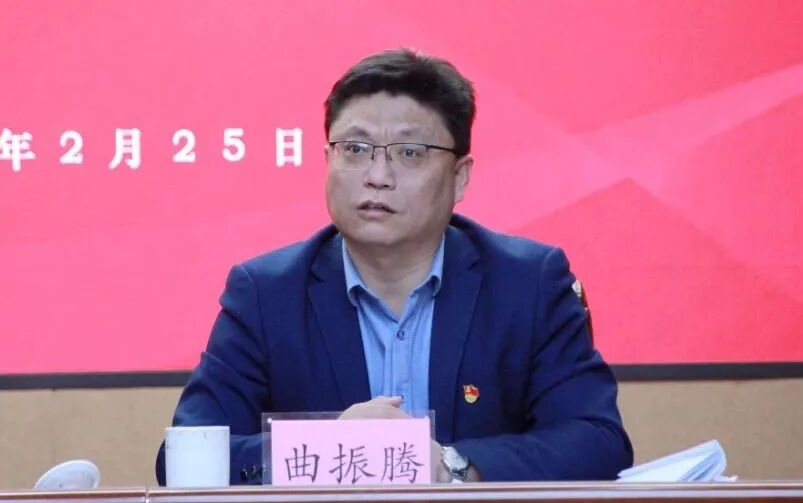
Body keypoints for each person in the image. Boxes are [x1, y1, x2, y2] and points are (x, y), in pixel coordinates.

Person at [155, 48, 633, 485]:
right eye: (355, 149)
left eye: (410, 153)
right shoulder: (266, 293)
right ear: (327, 160)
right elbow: (184, 458)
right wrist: (326, 448)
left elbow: (598, 442)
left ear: (459, 177)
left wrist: (452, 466)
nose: (377, 176)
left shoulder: (527, 284)